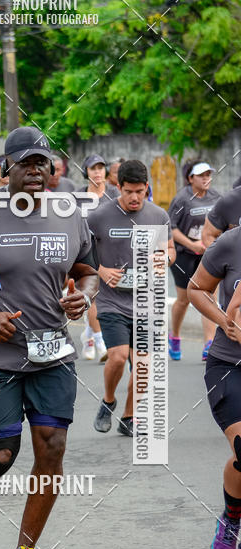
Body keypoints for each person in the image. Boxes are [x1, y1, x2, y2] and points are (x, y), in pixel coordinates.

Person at [0, 126, 99, 549]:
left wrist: (82, 295)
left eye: (44, 162)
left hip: (53, 350)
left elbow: (86, 270)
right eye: (26, 163)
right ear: (6, 169)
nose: (37, 170)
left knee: (52, 448)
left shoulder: (69, 213)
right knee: (1, 453)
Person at [88, 160, 174, 436]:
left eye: (140, 191)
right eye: (128, 192)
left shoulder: (158, 216)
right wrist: (101, 270)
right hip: (112, 301)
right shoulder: (99, 217)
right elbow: (82, 254)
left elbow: (170, 250)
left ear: (147, 187)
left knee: (143, 364)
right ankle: (109, 400)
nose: (135, 197)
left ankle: (129, 417)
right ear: (118, 188)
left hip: (146, 304)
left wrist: (162, 258)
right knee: (117, 356)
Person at [187, 228, 241, 549]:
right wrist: (225, 321)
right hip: (230, 365)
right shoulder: (231, 242)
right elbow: (196, 289)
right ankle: (232, 519)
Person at [168, 161, 221, 361]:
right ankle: (174, 336)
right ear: (191, 178)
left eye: (209, 174)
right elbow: (171, 228)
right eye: (201, 175)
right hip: (184, 254)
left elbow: (222, 223)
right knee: (184, 299)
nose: (206, 178)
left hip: (208, 254)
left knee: (208, 296)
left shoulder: (216, 197)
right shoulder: (182, 199)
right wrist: (192, 245)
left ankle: (209, 343)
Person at [78, 154, 115, 361]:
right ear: (86, 172)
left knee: (105, 298)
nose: (98, 172)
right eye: (93, 169)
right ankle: (100, 340)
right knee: (93, 296)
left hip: (111, 252)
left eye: (101, 168)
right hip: (87, 253)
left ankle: (89, 335)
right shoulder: (77, 197)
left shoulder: (114, 195)